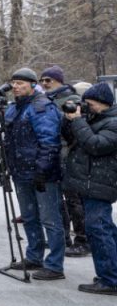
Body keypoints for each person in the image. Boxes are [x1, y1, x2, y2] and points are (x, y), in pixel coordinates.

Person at [4, 67, 65, 281]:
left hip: (42, 173)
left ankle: (55, 265)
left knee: (50, 218)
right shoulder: (13, 108)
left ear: (32, 85)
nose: (15, 87)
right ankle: (33, 256)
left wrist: (42, 170)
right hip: (20, 171)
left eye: (20, 83)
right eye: (13, 83)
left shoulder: (42, 107)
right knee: (29, 217)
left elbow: (49, 142)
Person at [61, 82, 117, 294]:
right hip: (91, 182)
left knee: (99, 230)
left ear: (104, 104)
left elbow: (95, 145)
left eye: (90, 104)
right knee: (105, 229)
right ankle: (111, 273)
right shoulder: (97, 119)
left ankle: (109, 280)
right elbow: (74, 139)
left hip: (101, 183)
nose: (87, 108)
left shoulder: (113, 122)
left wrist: (78, 121)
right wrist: (70, 121)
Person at [40, 66, 90, 258]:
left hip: (69, 157)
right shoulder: (47, 101)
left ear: (59, 81)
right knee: (58, 201)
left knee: (74, 200)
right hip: (54, 156)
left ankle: (82, 239)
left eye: (49, 80)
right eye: (42, 80)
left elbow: (78, 131)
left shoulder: (73, 101)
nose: (45, 84)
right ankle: (63, 237)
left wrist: (68, 151)